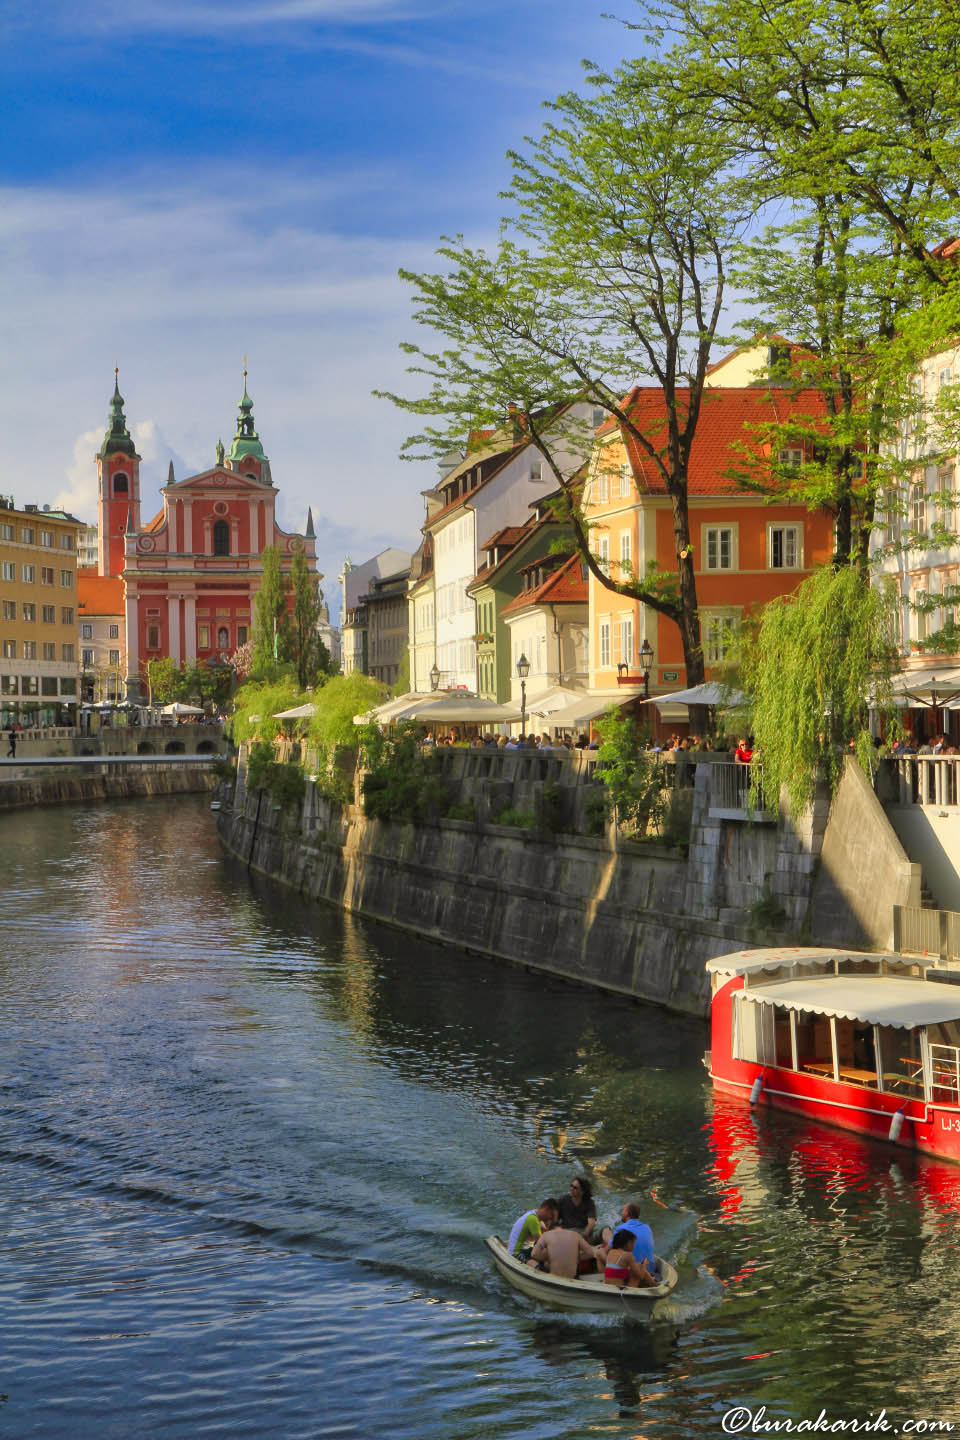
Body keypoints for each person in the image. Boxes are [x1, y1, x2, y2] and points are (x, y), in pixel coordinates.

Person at [599, 1202, 656, 1272]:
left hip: (634, 1271)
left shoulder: (621, 1229)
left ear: (627, 1213)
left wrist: (604, 1251)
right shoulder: (647, 1227)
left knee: (600, 1252)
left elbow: (608, 1250)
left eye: (623, 1210)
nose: (621, 1213)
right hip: (651, 1269)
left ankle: (606, 1278)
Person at [528, 1225, 596, 1279]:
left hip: (554, 1277)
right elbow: (591, 1253)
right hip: (573, 1277)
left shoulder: (546, 1235)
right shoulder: (575, 1235)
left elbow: (534, 1254)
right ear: (563, 1229)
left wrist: (549, 1258)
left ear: (550, 1230)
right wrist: (575, 1257)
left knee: (531, 1262)